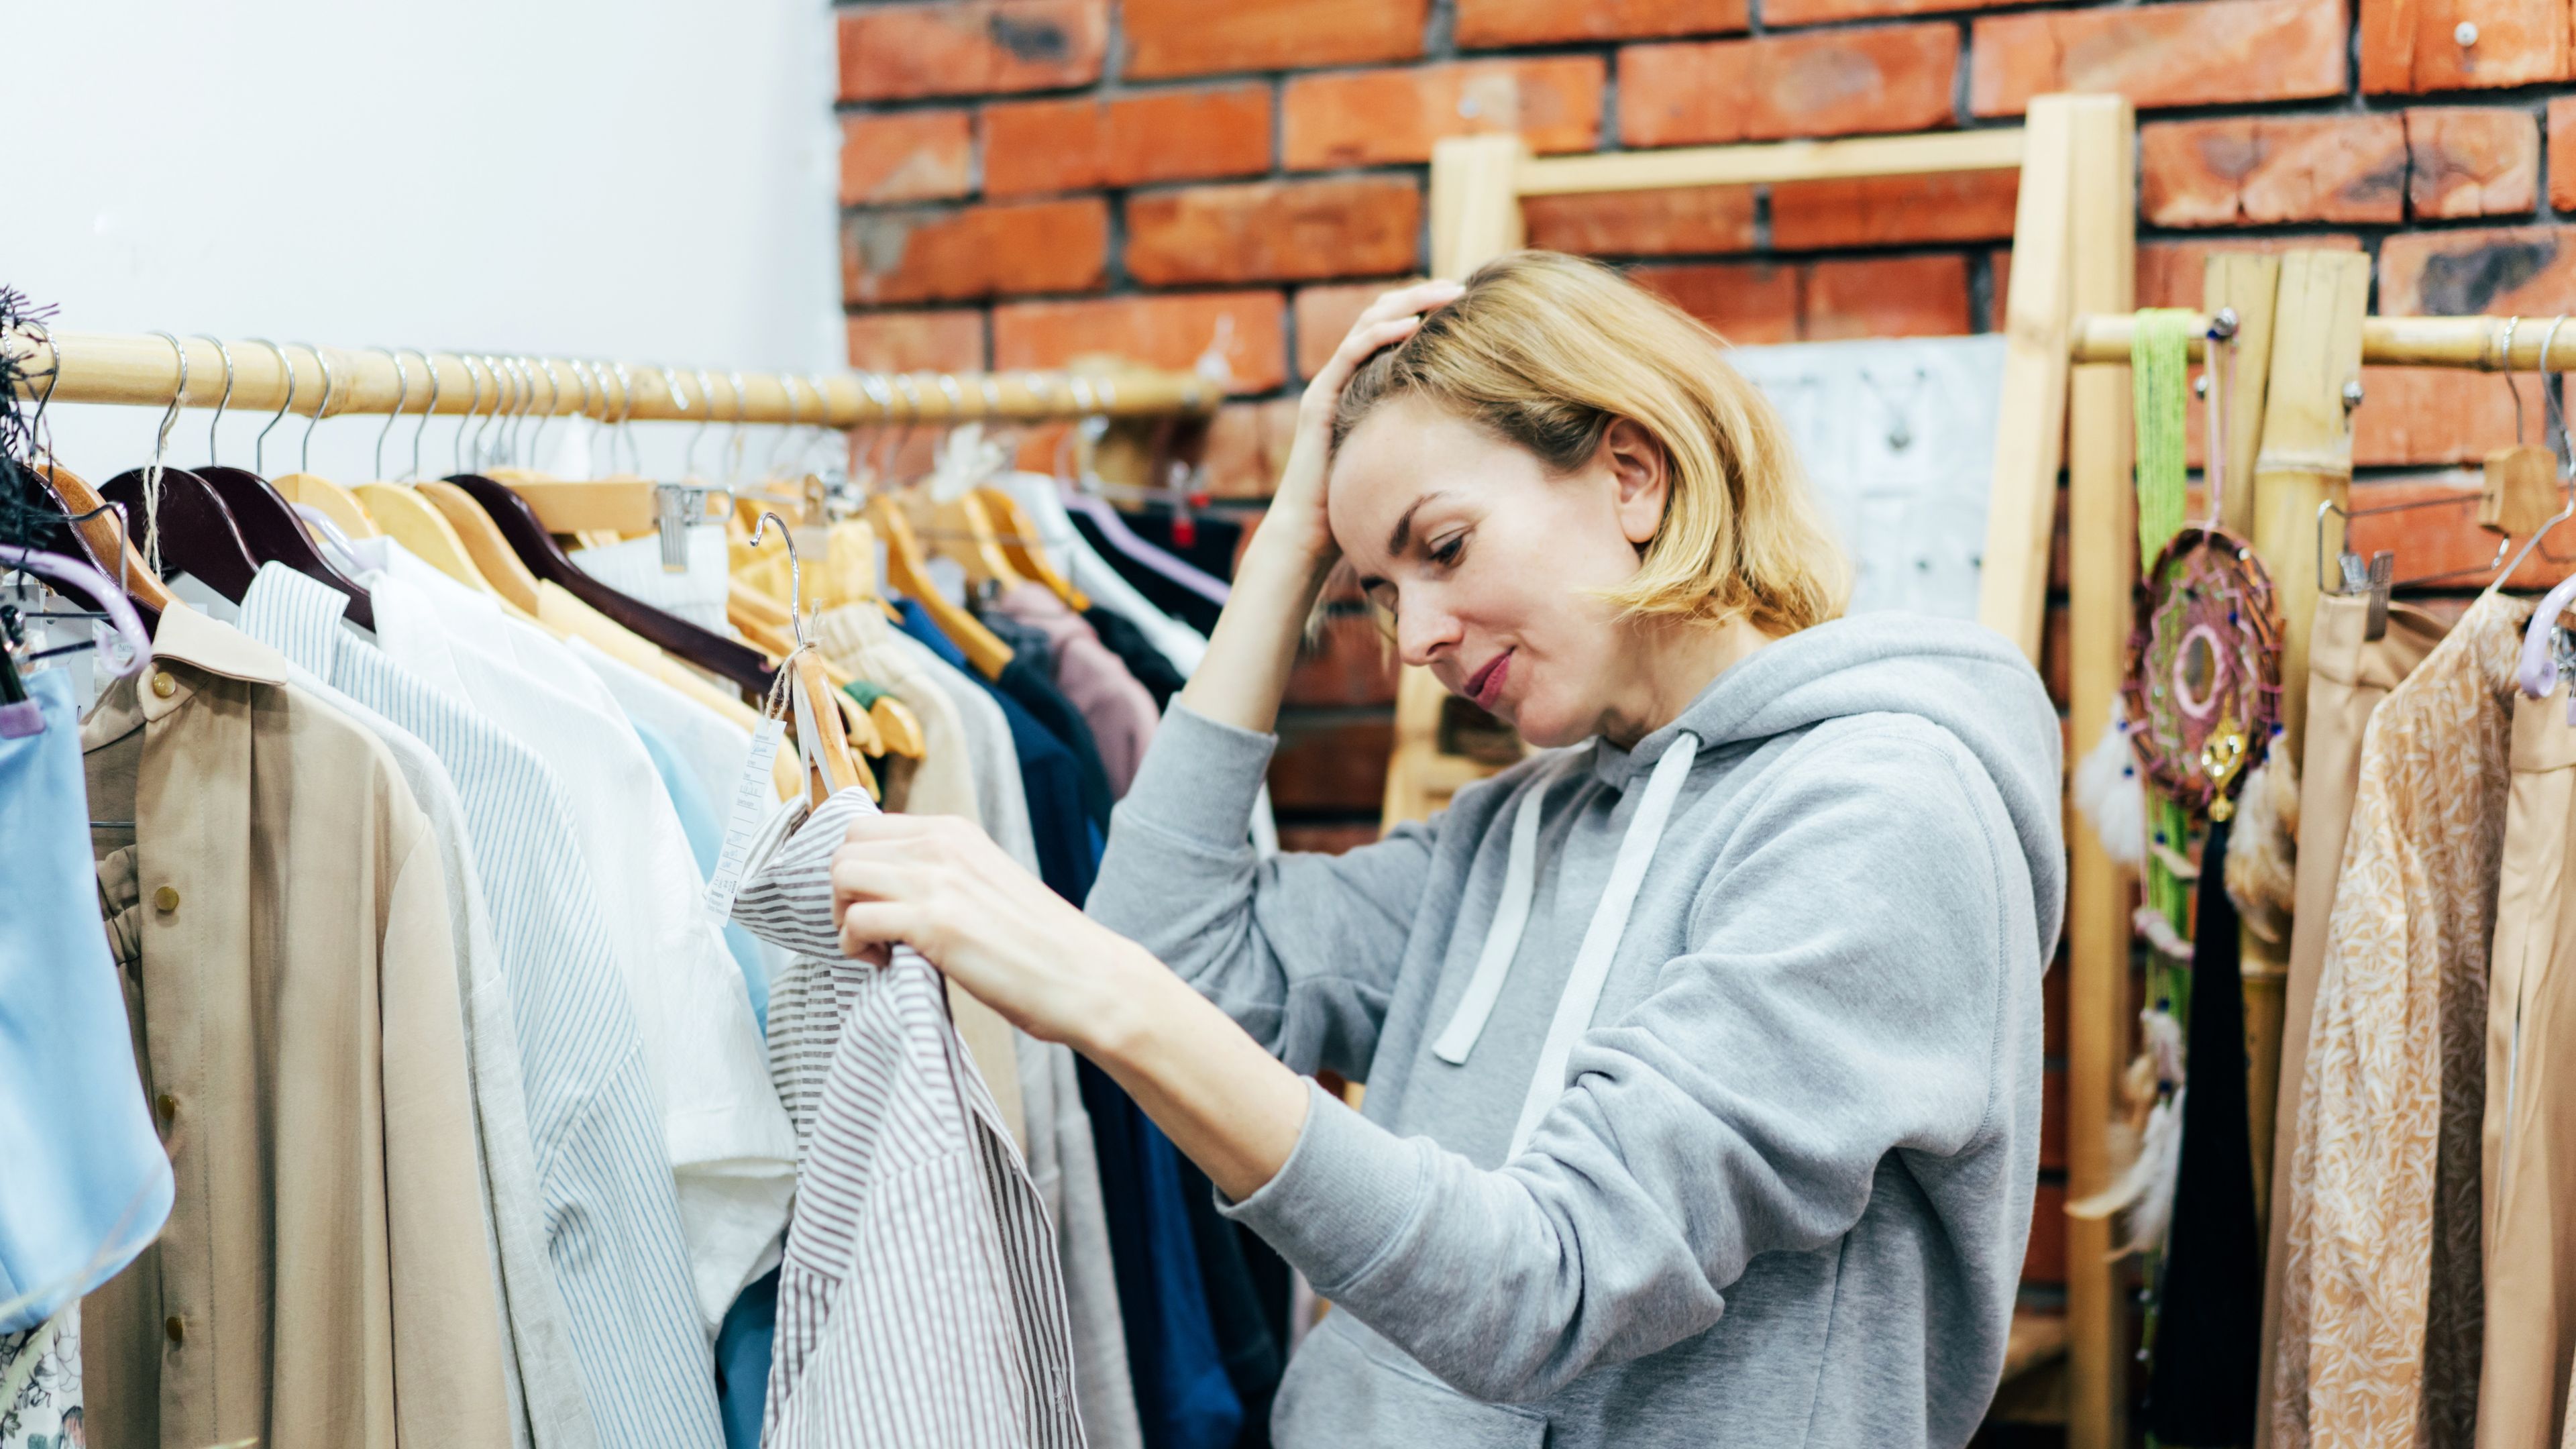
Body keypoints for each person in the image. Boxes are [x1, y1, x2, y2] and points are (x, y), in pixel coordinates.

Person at [820, 251, 2066, 1448]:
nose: (1412, 635)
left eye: (1444, 546)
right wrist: (1291, 546)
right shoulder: (1518, 829)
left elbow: (1556, 1278)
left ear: (1632, 475)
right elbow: (1172, 953)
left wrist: (1118, 999)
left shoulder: (1884, 816)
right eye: (1373, 587)